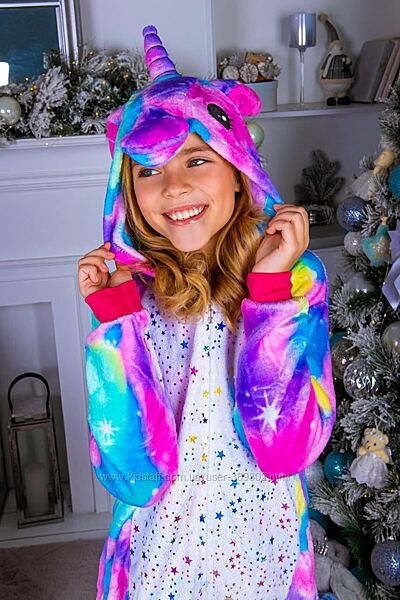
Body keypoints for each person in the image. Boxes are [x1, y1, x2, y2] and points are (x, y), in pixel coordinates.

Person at [78, 25, 336, 600]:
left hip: (260, 555)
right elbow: (130, 473)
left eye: (196, 159)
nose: (173, 186)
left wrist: (269, 294)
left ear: (239, 169)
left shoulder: (295, 279)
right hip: (160, 557)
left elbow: (287, 449)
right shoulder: (129, 294)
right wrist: (115, 321)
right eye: (149, 170)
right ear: (127, 193)